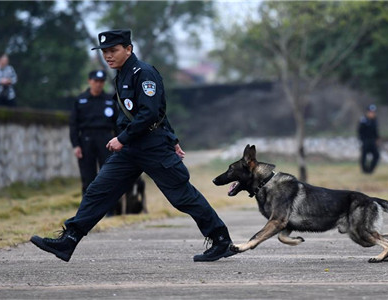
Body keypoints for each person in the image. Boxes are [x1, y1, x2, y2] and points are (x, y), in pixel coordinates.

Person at [31, 29, 236, 263]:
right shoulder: (121, 75)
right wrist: (171, 138)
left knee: (182, 196)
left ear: (128, 49)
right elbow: (151, 112)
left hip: (152, 147)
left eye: (113, 50)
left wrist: (146, 139)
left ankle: (221, 240)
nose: (108, 56)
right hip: (131, 150)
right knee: (99, 190)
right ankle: (69, 239)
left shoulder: (144, 73)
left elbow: (150, 113)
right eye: (105, 52)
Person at [69, 70, 116, 194]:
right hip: (86, 140)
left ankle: (110, 209)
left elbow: (118, 123)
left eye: (101, 82)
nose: (98, 84)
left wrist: (120, 141)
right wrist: (75, 145)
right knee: (88, 176)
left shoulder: (110, 100)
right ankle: (88, 209)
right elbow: (73, 124)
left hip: (106, 139)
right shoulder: (80, 100)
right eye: (96, 81)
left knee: (108, 174)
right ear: (89, 81)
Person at [357, 104, 380, 174]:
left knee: (376, 155)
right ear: (367, 112)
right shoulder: (363, 120)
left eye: (373, 112)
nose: (372, 114)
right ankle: (364, 170)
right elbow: (360, 131)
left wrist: (377, 139)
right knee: (364, 156)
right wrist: (362, 140)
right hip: (365, 141)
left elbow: (376, 131)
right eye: (370, 112)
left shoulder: (375, 120)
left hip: (373, 141)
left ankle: (371, 170)